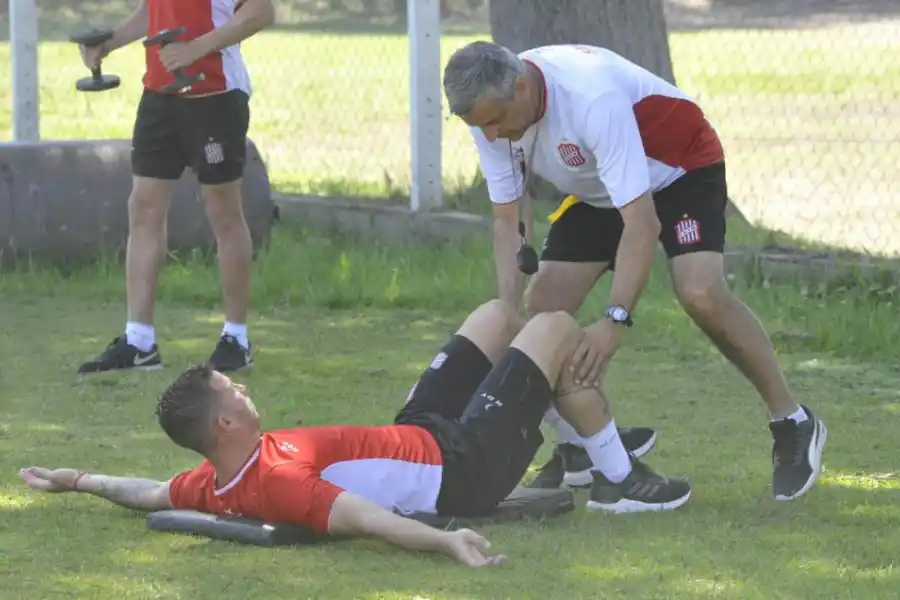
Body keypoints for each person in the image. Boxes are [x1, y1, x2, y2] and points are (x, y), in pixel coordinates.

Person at [20, 300, 692, 567]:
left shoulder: (217, 478)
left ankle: (562, 426)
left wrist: (75, 480)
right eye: (234, 390)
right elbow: (367, 518)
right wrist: (446, 540)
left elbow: (150, 493)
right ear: (223, 422)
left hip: (416, 433)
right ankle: (611, 469)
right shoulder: (279, 483)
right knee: (552, 326)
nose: (245, 387)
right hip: (463, 466)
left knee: (496, 315)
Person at [441, 41, 827, 501]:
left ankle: (793, 421)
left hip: (679, 170)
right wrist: (507, 318)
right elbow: (509, 221)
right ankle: (582, 444)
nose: (490, 136)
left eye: (495, 122)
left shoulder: (590, 99)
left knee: (700, 291)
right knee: (542, 306)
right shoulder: (490, 112)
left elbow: (641, 224)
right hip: (601, 189)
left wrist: (615, 319)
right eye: (478, 126)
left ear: (522, 87)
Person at [75, 0, 276, 375]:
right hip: (160, 96)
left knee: (222, 210)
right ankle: (139, 342)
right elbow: (155, 10)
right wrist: (112, 42)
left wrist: (196, 48)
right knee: (144, 206)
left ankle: (236, 339)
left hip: (215, 95)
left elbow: (261, 12)